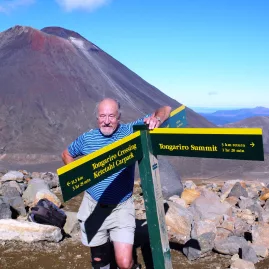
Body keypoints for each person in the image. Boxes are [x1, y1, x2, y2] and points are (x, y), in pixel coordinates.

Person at [61, 98, 171, 269]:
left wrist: (156, 119)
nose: (106, 121)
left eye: (111, 116)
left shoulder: (130, 131)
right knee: (99, 260)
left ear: (119, 117)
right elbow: (67, 153)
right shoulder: (87, 139)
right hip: (93, 207)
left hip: (121, 207)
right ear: (97, 118)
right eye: (102, 116)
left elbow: (165, 108)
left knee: (124, 263)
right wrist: (80, 178)